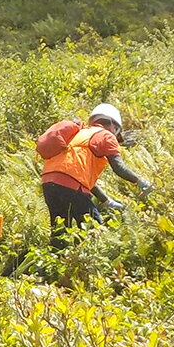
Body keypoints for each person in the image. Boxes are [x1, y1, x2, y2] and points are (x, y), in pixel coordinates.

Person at [38, 103, 152, 247]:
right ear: (114, 126)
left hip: (49, 182)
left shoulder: (79, 134)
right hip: (70, 184)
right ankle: (88, 265)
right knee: (94, 230)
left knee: (59, 235)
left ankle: (35, 266)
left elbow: (83, 178)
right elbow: (119, 167)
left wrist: (107, 201)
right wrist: (140, 181)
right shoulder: (107, 136)